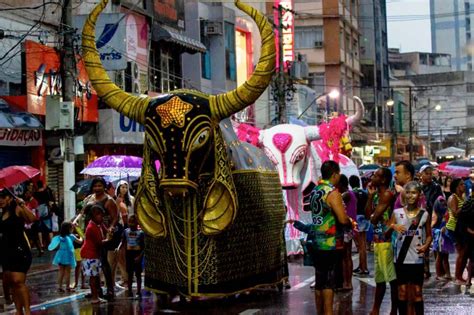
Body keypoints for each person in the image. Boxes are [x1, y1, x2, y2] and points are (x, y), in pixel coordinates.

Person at [290, 160, 350, 315]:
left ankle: (320, 312)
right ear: (335, 174)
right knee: (329, 281)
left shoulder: (316, 190)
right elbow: (342, 219)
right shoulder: (332, 192)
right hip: (329, 243)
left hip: (316, 241)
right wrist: (350, 221)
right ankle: (329, 312)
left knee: (319, 280)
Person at [387, 181, 432, 315]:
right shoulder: (396, 212)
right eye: (408, 192)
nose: (411, 196)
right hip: (400, 259)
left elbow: (429, 235)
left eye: (414, 192)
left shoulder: (424, 214)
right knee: (402, 292)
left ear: (419, 195)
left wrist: (426, 246)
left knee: (418, 292)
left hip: (417, 259)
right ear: (404, 194)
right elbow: (387, 231)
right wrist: (394, 226)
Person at [0, 189, 37, 314]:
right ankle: (18, 310)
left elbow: (32, 219)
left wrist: (23, 205)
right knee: (12, 282)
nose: (1, 200)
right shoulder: (1, 213)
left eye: (3, 197)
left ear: (9, 198)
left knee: (18, 281)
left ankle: (27, 311)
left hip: (20, 249)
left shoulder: (17, 208)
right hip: (5, 251)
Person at [366, 167, 397, 315]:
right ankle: (376, 309)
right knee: (380, 277)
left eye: (376, 175)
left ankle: (392, 310)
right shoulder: (378, 194)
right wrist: (370, 197)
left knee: (390, 278)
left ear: (383, 179)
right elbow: (368, 215)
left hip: (386, 239)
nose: (373, 177)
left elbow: (374, 217)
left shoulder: (387, 194)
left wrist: (372, 216)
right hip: (378, 239)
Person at [83, 177, 119, 300]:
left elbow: (115, 218)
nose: (97, 188)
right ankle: (96, 290)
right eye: (95, 186)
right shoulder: (89, 198)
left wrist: (110, 229)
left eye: (100, 186)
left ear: (104, 187)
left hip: (102, 233)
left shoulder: (109, 201)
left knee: (103, 262)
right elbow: (83, 213)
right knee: (93, 263)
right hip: (90, 233)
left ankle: (110, 289)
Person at [81, 204, 112, 304]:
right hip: (90, 254)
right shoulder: (91, 227)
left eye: (102, 215)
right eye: (99, 215)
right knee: (93, 277)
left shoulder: (98, 224)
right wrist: (108, 239)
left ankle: (96, 296)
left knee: (96, 276)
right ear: (93, 216)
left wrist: (109, 231)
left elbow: (106, 230)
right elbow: (99, 242)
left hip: (94, 254)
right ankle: (94, 297)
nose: (101, 217)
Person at [446, 178, 468, 285]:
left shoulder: (462, 197)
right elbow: (455, 213)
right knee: (461, 252)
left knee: (463, 252)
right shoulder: (453, 198)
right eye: (462, 184)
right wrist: (466, 206)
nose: (464, 186)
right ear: (456, 187)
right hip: (453, 227)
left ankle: (459, 276)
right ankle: (457, 277)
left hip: (460, 228)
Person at [48, 221, 83, 292]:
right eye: (72, 228)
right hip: (68, 255)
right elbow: (80, 242)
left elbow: (54, 245)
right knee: (68, 272)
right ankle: (67, 287)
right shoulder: (71, 236)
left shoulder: (60, 237)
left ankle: (59, 286)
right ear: (69, 229)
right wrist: (81, 236)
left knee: (61, 271)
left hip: (60, 255)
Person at [116, 215, 144, 298]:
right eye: (130, 222)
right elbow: (122, 241)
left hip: (137, 255)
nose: (131, 224)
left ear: (137, 222)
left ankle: (139, 292)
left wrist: (140, 257)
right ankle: (130, 291)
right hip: (129, 255)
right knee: (130, 274)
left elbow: (144, 247)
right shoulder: (126, 231)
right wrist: (118, 248)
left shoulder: (141, 233)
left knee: (138, 274)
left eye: (133, 222)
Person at [338, 174, 357, 290]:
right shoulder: (350, 194)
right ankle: (346, 282)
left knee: (346, 256)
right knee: (346, 255)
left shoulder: (346, 194)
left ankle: (347, 282)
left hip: (346, 228)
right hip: (349, 227)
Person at [350, 175, 369, 275]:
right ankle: (363, 266)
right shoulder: (365, 193)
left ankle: (363, 268)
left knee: (360, 246)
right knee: (363, 245)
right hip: (364, 219)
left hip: (355, 219)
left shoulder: (351, 193)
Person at [431, 196, 454, 280]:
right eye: (441, 202)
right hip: (439, 235)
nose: (443, 203)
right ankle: (439, 274)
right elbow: (432, 226)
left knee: (445, 256)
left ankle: (447, 274)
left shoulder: (445, 211)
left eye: (444, 202)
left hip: (444, 235)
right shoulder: (436, 214)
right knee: (440, 255)